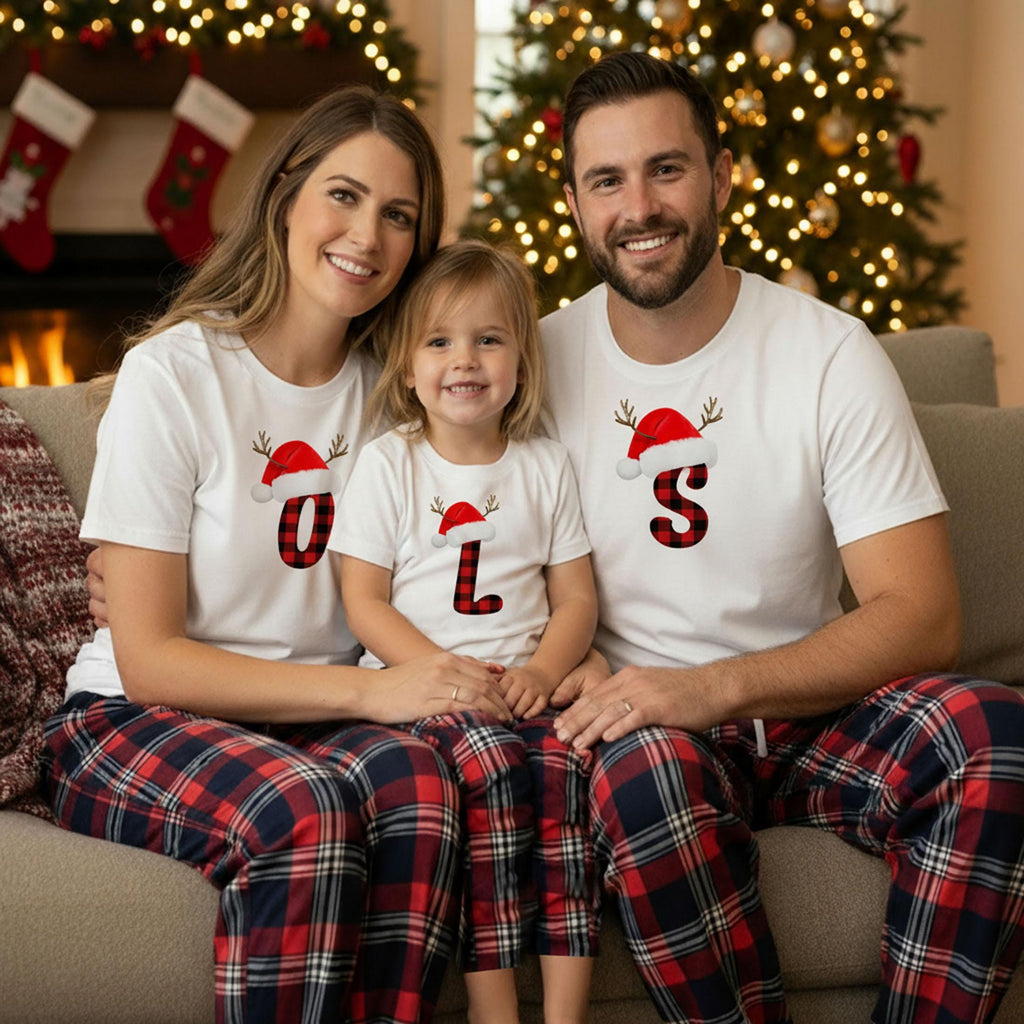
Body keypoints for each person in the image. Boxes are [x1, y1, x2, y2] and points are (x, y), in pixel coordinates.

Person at [540, 51, 1024, 1024]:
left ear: (721, 175)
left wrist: (714, 682)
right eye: (607, 179)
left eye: (666, 168)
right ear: (577, 202)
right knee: (644, 781)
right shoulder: (532, 362)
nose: (639, 205)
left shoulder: (824, 350)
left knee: (996, 736)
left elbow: (922, 614)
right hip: (644, 733)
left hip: (810, 708)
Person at [41, 85, 518, 1024]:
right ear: (287, 195)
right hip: (132, 718)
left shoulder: (407, 393)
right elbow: (150, 658)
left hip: (309, 723)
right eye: (343, 195)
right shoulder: (176, 374)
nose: (366, 236)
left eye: (398, 216)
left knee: (421, 788)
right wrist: (375, 694)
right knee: (306, 808)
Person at [334, 239, 599, 1024]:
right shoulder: (392, 465)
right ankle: (495, 1010)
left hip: (526, 696)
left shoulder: (544, 467)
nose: (466, 360)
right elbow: (364, 602)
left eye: (490, 339)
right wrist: (442, 673)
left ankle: (564, 1012)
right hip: (430, 702)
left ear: (522, 359)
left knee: (567, 776)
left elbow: (576, 600)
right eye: (440, 341)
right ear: (409, 366)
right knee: (486, 772)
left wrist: (544, 676)